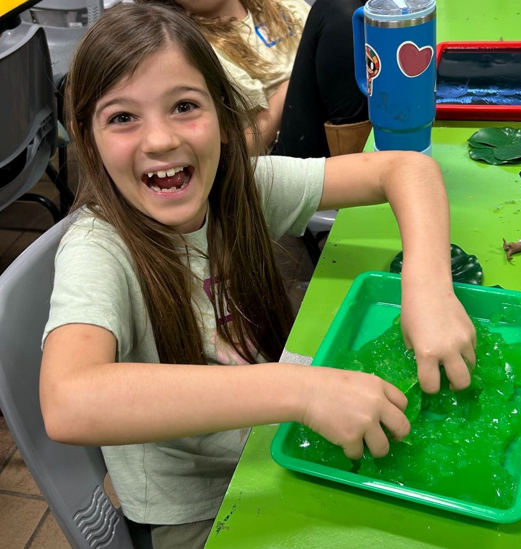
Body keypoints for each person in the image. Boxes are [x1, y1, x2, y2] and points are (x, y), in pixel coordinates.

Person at [40, 3, 475, 548]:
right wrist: (298, 391)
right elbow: (68, 400)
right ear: (87, 138)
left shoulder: (239, 187)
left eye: (184, 106)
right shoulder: (98, 249)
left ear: (225, 119)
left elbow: (408, 168)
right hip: (205, 512)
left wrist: (428, 287)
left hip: (279, 445)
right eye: (123, 118)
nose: (160, 140)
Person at [136, 0, 370, 157]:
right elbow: (239, 150)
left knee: (363, 12)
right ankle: (358, 162)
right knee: (337, 7)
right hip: (282, 151)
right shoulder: (188, 46)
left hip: (345, 103)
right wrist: (292, 86)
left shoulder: (278, 4)